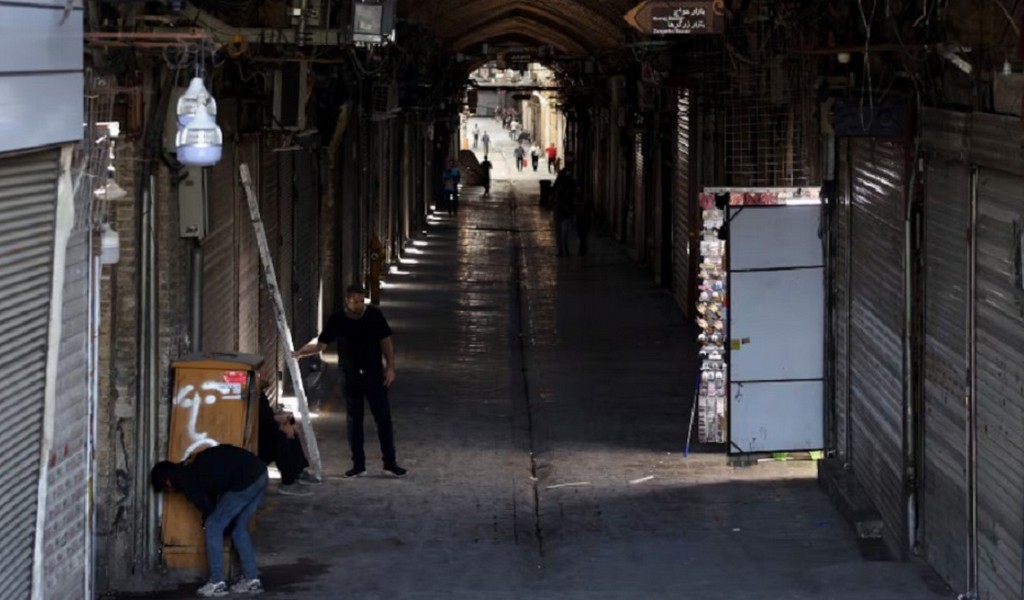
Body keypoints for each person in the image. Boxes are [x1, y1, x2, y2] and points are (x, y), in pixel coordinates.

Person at [293, 284, 406, 478]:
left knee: (383, 419)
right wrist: (300, 353)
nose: (359, 305)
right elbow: (321, 344)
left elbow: (385, 341)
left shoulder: (374, 316)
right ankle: (358, 465)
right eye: (355, 301)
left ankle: (390, 462)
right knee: (355, 422)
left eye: (362, 301)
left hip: (374, 374)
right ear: (347, 301)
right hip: (350, 375)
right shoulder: (337, 320)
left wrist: (390, 367)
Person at [151, 445, 269, 597]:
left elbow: (207, 507)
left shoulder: (185, 480)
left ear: (167, 481)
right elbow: (210, 495)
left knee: (213, 527)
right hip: (260, 473)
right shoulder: (190, 467)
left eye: (166, 489)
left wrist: (215, 523)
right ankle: (252, 580)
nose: (170, 491)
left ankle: (216, 582)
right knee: (238, 529)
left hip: (244, 481)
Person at [257, 381, 314, 496]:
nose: (266, 375)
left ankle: (298, 471)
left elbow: (267, 417)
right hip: (259, 442)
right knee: (281, 438)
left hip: (265, 432)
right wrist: (279, 425)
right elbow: (261, 422)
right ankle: (288, 483)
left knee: (290, 432)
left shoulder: (260, 394)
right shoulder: (254, 395)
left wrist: (281, 420)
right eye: (262, 373)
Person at [552, 163, 576, 257]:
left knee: (560, 234)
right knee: (564, 233)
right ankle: (564, 250)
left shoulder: (560, 187)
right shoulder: (570, 185)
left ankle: (562, 251)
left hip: (561, 212)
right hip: (564, 213)